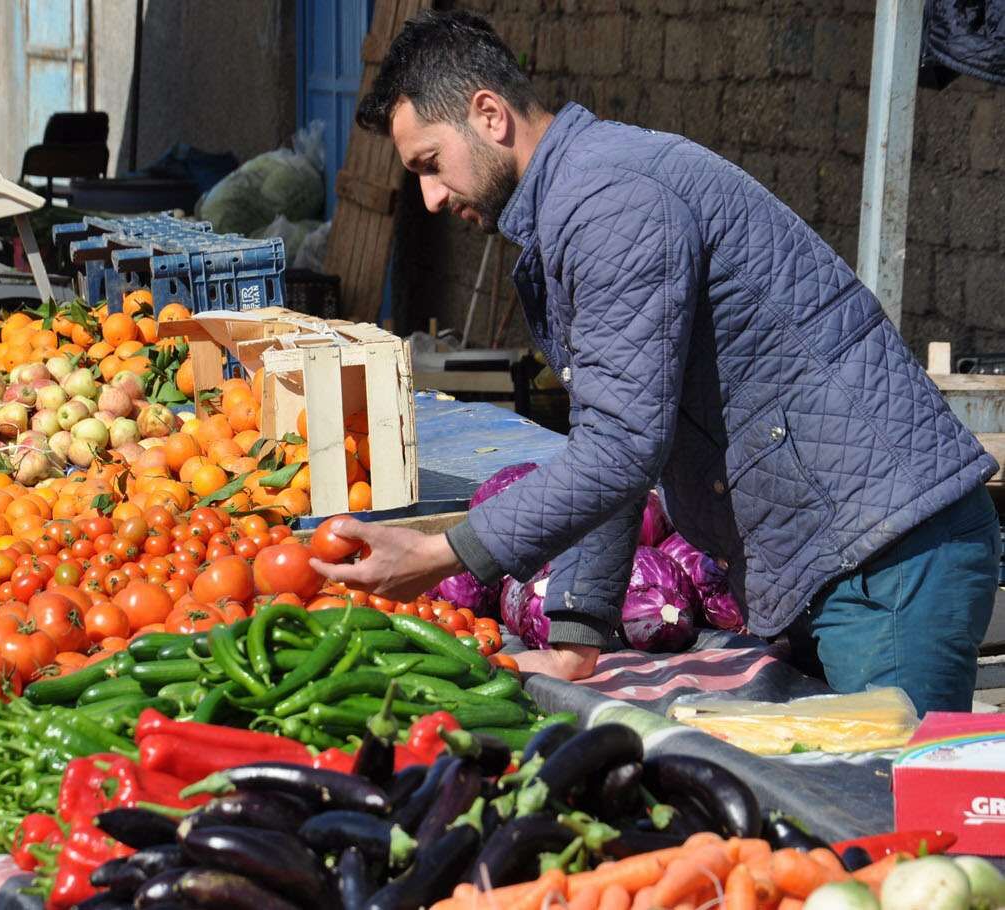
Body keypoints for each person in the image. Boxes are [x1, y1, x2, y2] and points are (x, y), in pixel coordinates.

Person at [311, 11, 1001, 714]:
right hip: (838, 552)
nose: (429, 197)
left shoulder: (612, 203)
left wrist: (441, 554)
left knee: (888, 775)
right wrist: (578, 631)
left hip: (885, 561)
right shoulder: (582, 197)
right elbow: (614, 437)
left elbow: (621, 447)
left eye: (430, 163)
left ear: (489, 115)